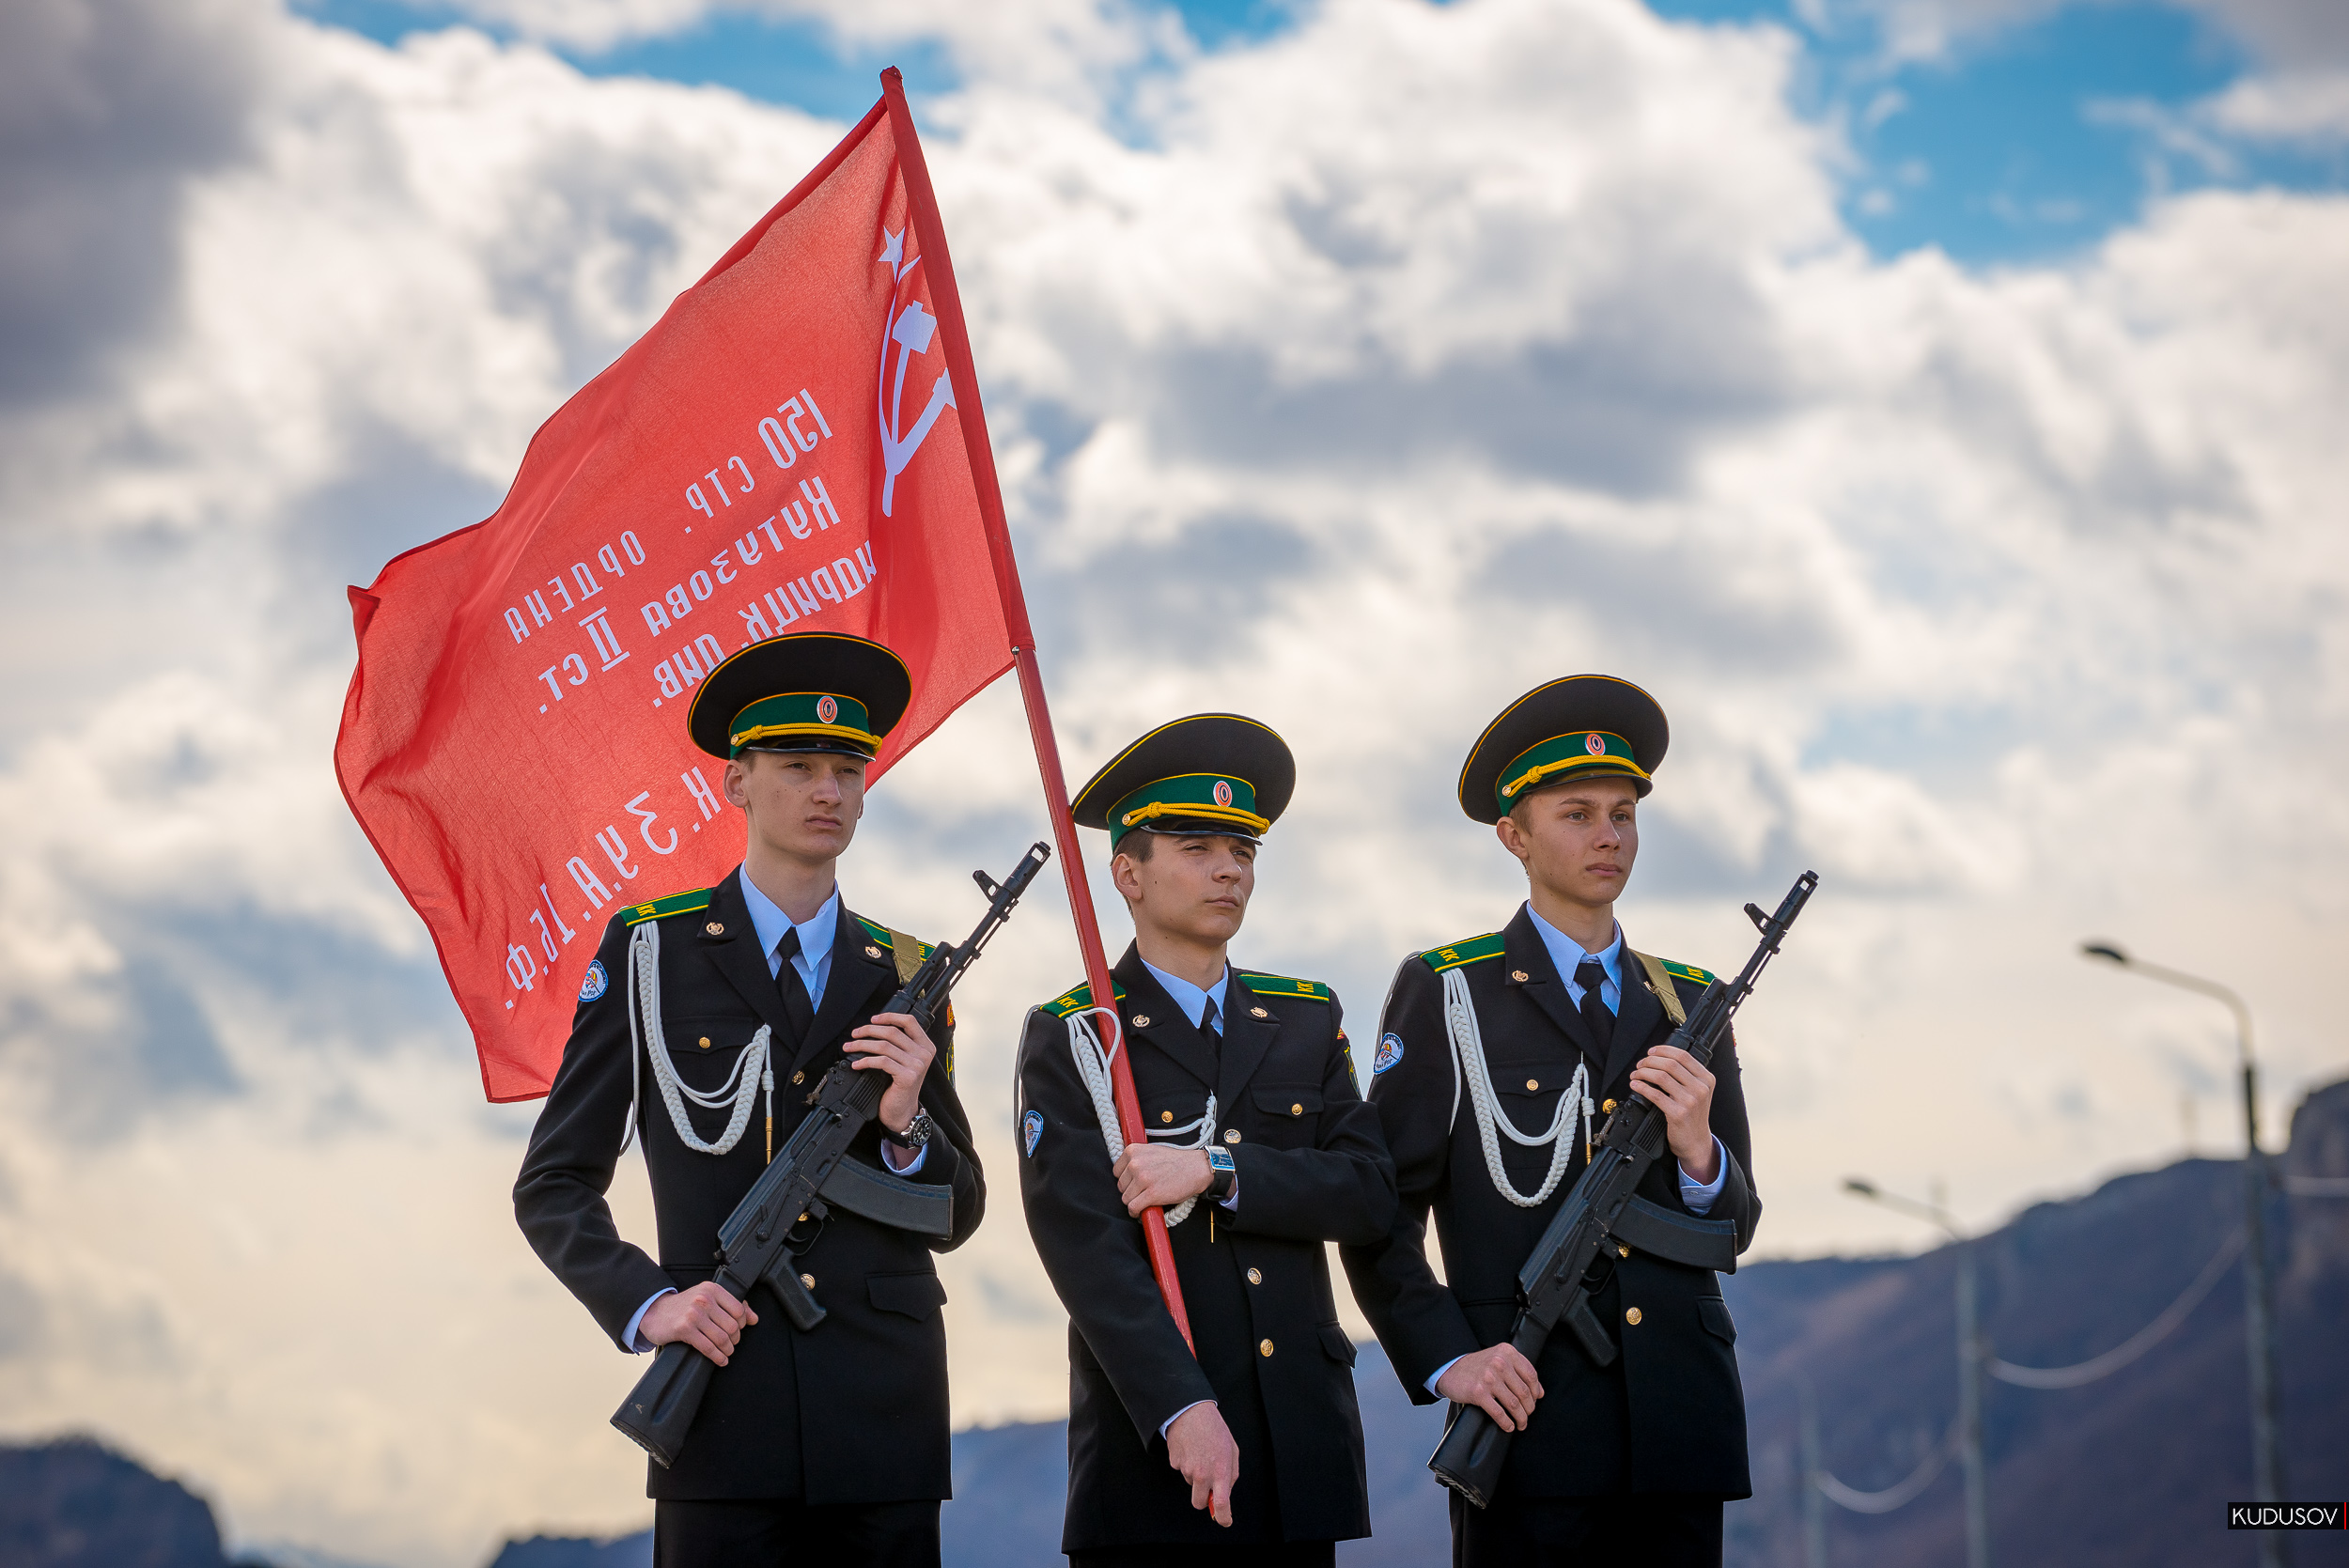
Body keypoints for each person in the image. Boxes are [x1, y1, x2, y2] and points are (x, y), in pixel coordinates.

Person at [514, 631, 984, 1568]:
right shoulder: (651, 953)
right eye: (799, 766)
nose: (828, 790)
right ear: (736, 782)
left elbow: (958, 1209)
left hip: (882, 1426)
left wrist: (906, 1124)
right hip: (722, 1416)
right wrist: (650, 1304)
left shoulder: (904, 974)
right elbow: (554, 1183)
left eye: (848, 770)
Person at [1341, 675, 1761, 1568]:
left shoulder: (1690, 1001)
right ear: (1514, 835)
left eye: (1623, 813)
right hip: (1530, 1427)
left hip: (1677, 1432)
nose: (1610, 835)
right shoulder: (1449, 991)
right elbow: (1379, 1213)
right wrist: (1450, 1359)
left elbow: (1737, 1223)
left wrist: (1698, 1149)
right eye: (1578, 814)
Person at [1014, 714, 1397, 1567]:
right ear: (1128, 873)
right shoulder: (1078, 1035)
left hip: (1298, 1453)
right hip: (1153, 1464)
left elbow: (1368, 1193)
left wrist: (1218, 1168)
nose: (1230, 869)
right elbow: (1084, 1250)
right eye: (1196, 848)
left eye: (1243, 850)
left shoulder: (1306, 1017)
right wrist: (1180, 1404)